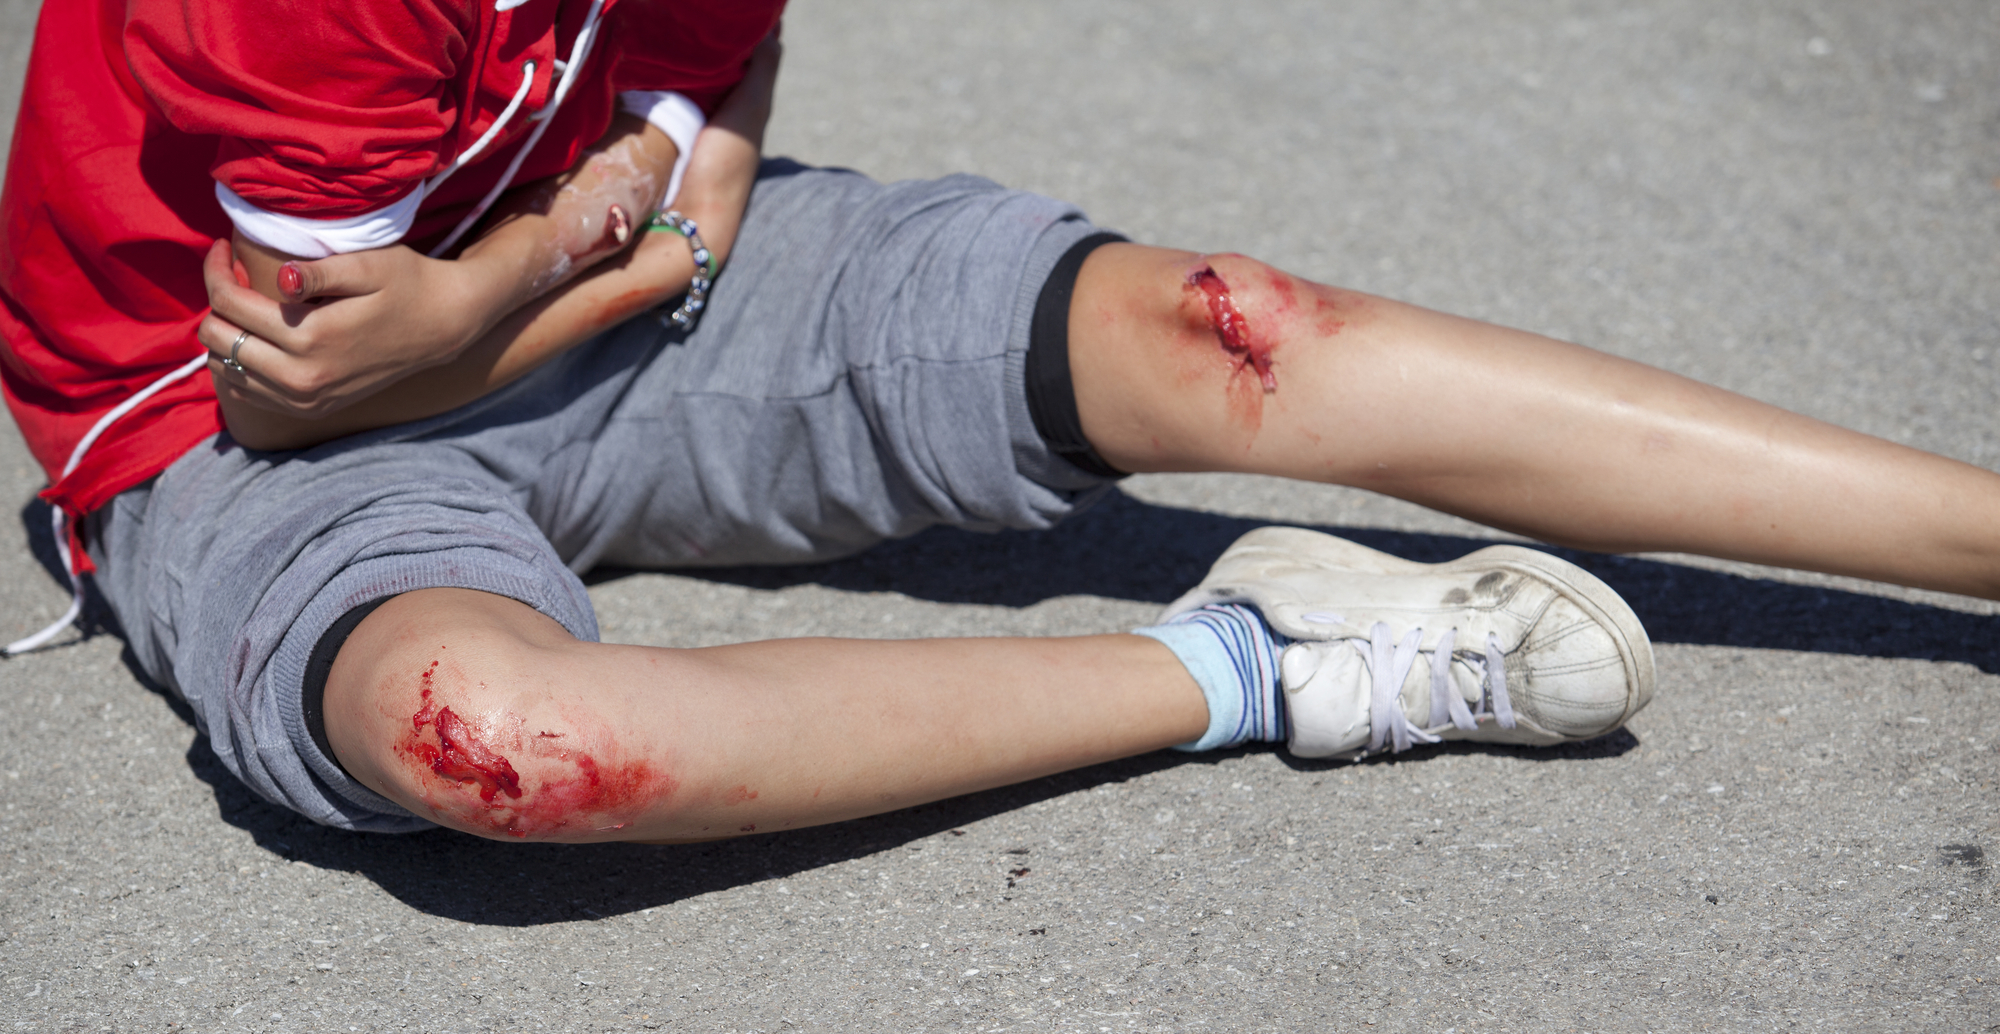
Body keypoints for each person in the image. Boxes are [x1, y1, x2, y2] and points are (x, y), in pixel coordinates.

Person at [6, 0, 1997, 844]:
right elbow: (317, 379)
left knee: (1228, 330)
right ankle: (1254, 663)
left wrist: (584, 242)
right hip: (221, 430)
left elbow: (711, 132)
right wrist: (612, 233)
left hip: (570, 289)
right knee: (506, 741)